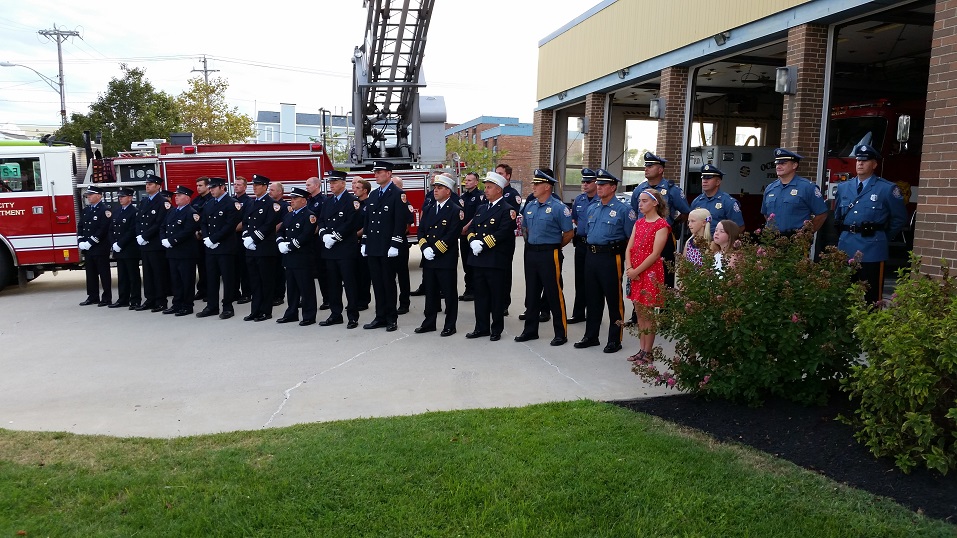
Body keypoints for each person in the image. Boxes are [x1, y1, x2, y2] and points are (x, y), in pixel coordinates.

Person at [574, 169, 638, 353]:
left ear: (613, 187)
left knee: (613, 299)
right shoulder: (592, 207)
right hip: (591, 256)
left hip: (611, 257)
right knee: (592, 298)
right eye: (598, 184)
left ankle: (614, 339)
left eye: (603, 185)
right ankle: (591, 336)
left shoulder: (623, 210)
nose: (599, 187)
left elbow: (630, 239)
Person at [834, 144, 907, 305]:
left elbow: (899, 218)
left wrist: (881, 236)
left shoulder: (887, 189)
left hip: (872, 249)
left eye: (865, 160)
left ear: (874, 164)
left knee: (872, 296)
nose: (860, 163)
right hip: (846, 247)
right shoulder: (843, 188)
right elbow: (838, 216)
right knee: (843, 293)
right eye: (858, 160)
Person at [514, 169, 574, 346]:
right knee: (532, 293)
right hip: (531, 253)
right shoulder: (531, 206)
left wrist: (554, 247)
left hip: (550, 254)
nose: (533, 186)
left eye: (537, 184)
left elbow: (569, 233)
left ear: (547, 187)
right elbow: (525, 228)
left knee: (554, 293)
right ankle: (530, 330)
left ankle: (560, 332)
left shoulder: (558, 208)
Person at [466, 171, 517, 341]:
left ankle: (496, 329)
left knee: (496, 297)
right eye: (485, 187)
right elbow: (472, 227)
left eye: (489, 187)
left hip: (495, 260)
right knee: (480, 296)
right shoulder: (481, 208)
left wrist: (483, 243)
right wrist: (472, 240)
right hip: (479, 259)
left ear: (499, 190)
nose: (485, 190)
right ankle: (481, 327)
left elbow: (503, 232)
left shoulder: (507, 210)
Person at [624, 189, 671, 363]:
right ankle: (641, 349)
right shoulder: (639, 223)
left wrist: (637, 271)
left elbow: (655, 254)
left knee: (648, 314)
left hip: (649, 273)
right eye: (639, 201)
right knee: (640, 313)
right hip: (635, 272)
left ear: (655, 203)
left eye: (644, 201)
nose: (640, 204)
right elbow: (629, 247)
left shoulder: (661, 225)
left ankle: (648, 352)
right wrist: (630, 268)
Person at [631, 152, 690, 289]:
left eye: (650, 166)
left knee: (665, 273)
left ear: (660, 170)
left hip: (663, 238)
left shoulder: (671, 190)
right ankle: (640, 308)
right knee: (641, 271)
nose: (646, 168)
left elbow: (686, 212)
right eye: (646, 166)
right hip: (643, 238)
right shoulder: (639, 189)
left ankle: (666, 308)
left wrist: (674, 224)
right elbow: (634, 211)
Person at [414, 174, 464, 336]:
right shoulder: (429, 208)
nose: (435, 191)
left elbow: (451, 234)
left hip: (444, 258)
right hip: (429, 257)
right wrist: (424, 248)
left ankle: (450, 324)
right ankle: (429, 322)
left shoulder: (455, 210)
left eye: (439, 188)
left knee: (449, 293)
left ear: (448, 191)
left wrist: (434, 250)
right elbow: (421, 231)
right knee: (430, 291)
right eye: (434, 188)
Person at [361, 161, 407, 332]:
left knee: (388, 283)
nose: (376, 175)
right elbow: (368, 221)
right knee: (377, 283)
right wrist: (365, 241)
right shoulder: (373, 195)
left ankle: (391, 318)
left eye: (379, 172)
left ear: (389, 173)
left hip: (388, 247)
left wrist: (395, 243)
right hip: (374, 246)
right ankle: (379, 316)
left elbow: (400, 221)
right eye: (375, 172)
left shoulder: (398, 194)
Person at [317, 170, 363, 328]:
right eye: (330, 182)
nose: (332, 185)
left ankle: (352, 315)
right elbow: (321, 219)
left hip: (345, 249)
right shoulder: (328, 201)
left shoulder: (352, 201)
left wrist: (334, 236)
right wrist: (323, 234)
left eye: (335, 182)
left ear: (343, 183)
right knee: (333, 284)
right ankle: (335, 314)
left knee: (349, 283)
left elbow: (352, 222)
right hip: (330, 249)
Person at [197, 177, 242, 319]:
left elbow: (230, 225)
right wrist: (206, 238)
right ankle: (212, 306)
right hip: (211, 247)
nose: (211, 190)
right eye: (210, 188)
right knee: (211, 277)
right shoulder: (209, 203)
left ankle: (227, 306)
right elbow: (203, 222)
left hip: (225, 247)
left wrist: (214, 239)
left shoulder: (232, 203)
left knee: (228, 278)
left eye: (213, 188)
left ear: (222, 187)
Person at [241, 174, 284, 322]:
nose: (255, 187)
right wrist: (246, 236)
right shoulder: (251, 203)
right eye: (253, 185)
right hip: (251, 249)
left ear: (265, 187)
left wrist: (253, 238)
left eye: (257, 185)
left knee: (266, 281)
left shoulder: (271, 204)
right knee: (254, 281)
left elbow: (269, 224)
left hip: (265, 248)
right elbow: (246, 222)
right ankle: (255, 310)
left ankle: (266, 311)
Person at [761, 148, 828, 235]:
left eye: (783, 163)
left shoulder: (807, 187)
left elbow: (821, 214)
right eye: (777, 163)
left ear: (794, 165)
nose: (778, 166)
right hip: (772, 240)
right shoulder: (770, 188)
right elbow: (766, 214)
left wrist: (806, 234)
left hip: (795, 241)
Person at [276, 188, 319, 325]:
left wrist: (290, 246)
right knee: (292, 288)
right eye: (291, 198)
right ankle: (291, 313)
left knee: (306, 288)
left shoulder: (309, 216)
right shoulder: (289, 215)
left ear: (304, 200)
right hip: (289, 258)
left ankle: (309, 315)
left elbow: (306, 235)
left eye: (295, 199)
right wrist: (280, 242)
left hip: (302, 257)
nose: (292, 201)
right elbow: (281, 231)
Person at [160, 186, 200, 316]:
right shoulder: (172, 212)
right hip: (173, 252)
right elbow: (163, 226)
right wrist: (163, 239)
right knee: (175, 280)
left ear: (187, 198)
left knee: (186, 280)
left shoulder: (192, 213)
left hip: (185, 252)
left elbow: (187, 231)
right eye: (175, 195)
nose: (175, 197)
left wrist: (171, 241)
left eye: (179, 195)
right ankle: (176, 304)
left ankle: (187, 305)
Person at [568, 167, 598, 324]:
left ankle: (594, 315)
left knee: (594, 282)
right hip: (581, 244)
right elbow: (576, 220)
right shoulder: (579, 200)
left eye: (588, 182)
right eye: (583, 182)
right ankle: (578, 313)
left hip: (596, 247)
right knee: (580, 280)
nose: (585, 185)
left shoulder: (601, 199)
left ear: (596, 182)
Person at [135, 176, 169, 312]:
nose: (147, 186)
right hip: (145, 244)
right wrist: (139, 235)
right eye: (147, 184)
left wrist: (145, 236)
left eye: (150, 184)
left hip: (155, 244)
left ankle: (161, 301)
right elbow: (138, 220)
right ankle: (150, 299)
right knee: (147, 274)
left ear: (158, 186)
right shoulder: (144, 202)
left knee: (158, 274)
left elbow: (160, 222)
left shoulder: (163, 202)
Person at [76, 186, 112, 307]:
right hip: (88, 248)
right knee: (90, 274)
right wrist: (80, 240)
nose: (88, 197)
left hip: (100, 247)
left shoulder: (105, 210)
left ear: (99, 195)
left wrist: (90, 242)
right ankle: (93, 296)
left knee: (104, 273)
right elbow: (81, 226)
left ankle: (107, 297)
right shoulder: (87, 210)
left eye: (91, 195)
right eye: (87, 195)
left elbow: (103, 229)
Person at [495, 163, 522, 316]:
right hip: (491, 239)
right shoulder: (492, 192)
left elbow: (509, 219)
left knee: (505, 272)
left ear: (508, 176)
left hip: (505, 239)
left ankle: (504, 303)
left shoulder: (512, 195)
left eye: (500, 173)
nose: (497, 175)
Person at [109, 188, 141, 308]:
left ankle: (135, 300)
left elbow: (132, 230)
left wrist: (120, 243)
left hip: (129, 249)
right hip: (119, 249)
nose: (120, 198)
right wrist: (113, 244)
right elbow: (111, 229)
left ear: (130, 198)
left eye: (123, 196)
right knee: (122, 276)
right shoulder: (117, 211)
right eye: (119, 197)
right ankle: (123, 298)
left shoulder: (134, 212)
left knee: (133, 276)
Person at [690, 164, 744, 235]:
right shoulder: (696, 202)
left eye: (708, 178)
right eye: (703, 178)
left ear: (718, 182)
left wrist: (725, 242)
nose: (704, 181)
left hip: (718, 244)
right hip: (699, 242)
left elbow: (739, 227)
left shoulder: (728, 202)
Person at [305, 176, 331, 311]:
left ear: (316, 186)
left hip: (318, 241)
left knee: (322, 272)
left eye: (309, 185)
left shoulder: (323, 201)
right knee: (309, 271)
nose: (306, 187)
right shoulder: (308, 201)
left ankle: (327, 299)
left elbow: (321, 221)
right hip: (308, 242)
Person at [458, 171, 484, 301]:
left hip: (472, 234)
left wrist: (466, 227)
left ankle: (474, 290)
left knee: (473, 263)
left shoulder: (480, 197)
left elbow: (476, 216)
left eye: (469, 180)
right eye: (466, 180)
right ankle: (468, 289)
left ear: (476, 182)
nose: (466, 182)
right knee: (465, 263)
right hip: (462, 235)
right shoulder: (463, 197)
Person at [390, 176, 415, 315]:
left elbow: (406, 225)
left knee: (402, 275)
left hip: (400, 243)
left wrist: (394, 234)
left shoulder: (405, 202)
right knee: (389, 275)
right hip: (387, 244)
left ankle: (404, 303)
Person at [352, 178, 373, 310]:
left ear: (365, 190)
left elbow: (368, 225)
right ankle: (356, 299)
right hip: (353, 243)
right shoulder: (355, 204)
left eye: (358, 187)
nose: (354, 189)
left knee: (364, 274)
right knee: (355, 274)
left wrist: (355, 235)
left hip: (364, 242)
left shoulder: (370, 204)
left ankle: (364, 301)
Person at [268, 182, 290, 306]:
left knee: (278, 270)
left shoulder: (284, 206)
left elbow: (284, 222)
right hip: (268, 241)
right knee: (270, 270)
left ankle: (279, 295)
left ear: (280, 192)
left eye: (272, 190)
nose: (270, 192)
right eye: (269, 189)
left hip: (278, 240)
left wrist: (269, 231)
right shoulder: (269, 205)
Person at [191, 176, 213, 301]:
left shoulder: (211, 200)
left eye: (200, 185)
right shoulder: (195, 201)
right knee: (201, 266)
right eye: (197, 185)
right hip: (197, 238)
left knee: (209, 267)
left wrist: (203, 233)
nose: (198, 188)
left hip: (209, 238)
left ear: (207, 186)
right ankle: (202, 290)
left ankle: (210, 291)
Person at [233, 176, 253, 305]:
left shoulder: (249, 202)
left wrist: (232, 229)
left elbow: (246, 220)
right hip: (231, 239)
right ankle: (235, 292)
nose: (236, 186)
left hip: (242, 238)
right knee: (233, 268)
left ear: (245, 187)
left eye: (239, 184)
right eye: (235, 184)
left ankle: (247, 293)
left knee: (244, 268)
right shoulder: (231, 200)